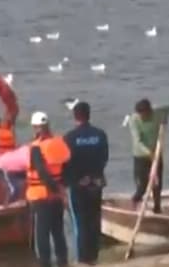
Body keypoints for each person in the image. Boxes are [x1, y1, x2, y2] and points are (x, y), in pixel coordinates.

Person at [62, 102, 108, 265]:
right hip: (96, 183)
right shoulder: (100, 134)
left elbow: (65, 163)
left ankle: (83, 258)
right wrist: (94, 175)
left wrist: (69, 181)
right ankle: (94, 256)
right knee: (94, 220)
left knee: (80, 222)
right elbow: (104, 158)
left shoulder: (69, 137)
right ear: (89, 114)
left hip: (78, 185)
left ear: (75, 116)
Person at [27, 111, 71, 267]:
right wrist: (61, 190)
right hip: (57, 196)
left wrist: (55, 189)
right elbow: (66, 168)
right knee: (58, 231)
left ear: (36, 127)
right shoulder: (58, 142)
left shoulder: (35, 147)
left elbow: (42, 172)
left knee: (42, 234)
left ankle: (45, 264)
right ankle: (63, 262)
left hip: (41, 195)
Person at [129, 99, 163, 214]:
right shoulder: (134, 120)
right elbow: (137, 142)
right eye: (140, 114)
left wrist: (165, 118)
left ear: (149, 112)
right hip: (141, 156)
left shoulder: (157, 115)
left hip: (156, 155)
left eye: (143, 114)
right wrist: (149, 153)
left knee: (157, 185)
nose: (141, 116)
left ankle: (157, 208)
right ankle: (135, 201)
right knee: (142, 186)